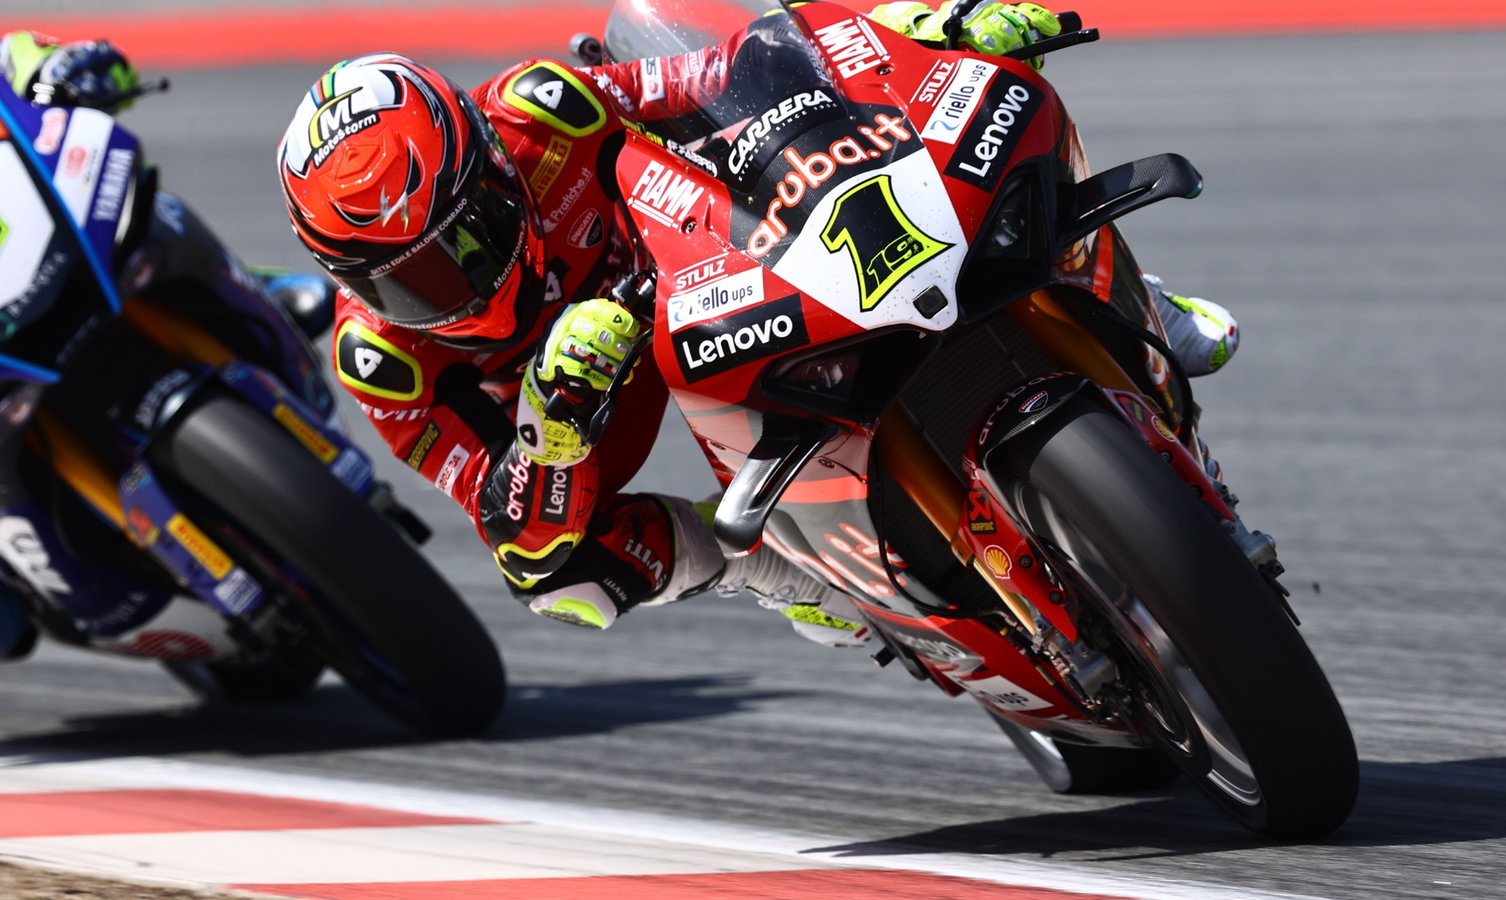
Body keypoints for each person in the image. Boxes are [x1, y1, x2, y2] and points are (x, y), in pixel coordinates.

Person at [276, 1, 1239, 649]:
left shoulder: (543, 107)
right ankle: (782, 569)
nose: (462, 280)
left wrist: (926, 22)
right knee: (564, 579)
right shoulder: (384, 364)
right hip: (581, 410)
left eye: (466, 236)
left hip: (685, 264)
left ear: (486, 161)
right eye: (414, 278)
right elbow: (512, 524)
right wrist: (552, 422)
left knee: (932, 172)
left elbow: (728, 67)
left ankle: (1123, 295)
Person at [0, 31, 338, 661]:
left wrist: (52, 73)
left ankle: (250, 292)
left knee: (151, 219)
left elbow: (16, 57)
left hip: (37, 265)